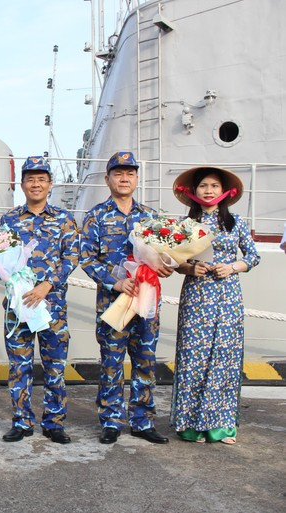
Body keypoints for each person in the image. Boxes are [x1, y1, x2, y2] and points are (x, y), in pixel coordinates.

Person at [80, 151, 174, 445]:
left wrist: (167, 265)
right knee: (112, 363)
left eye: (130, 173)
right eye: (118, 173)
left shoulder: (151, 217)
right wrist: (116, 282)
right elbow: (86, 258)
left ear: (136, 178)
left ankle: (142, 421)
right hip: (114, 303)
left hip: (146, 301)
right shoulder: (96, 216)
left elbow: (165, 253)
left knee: (145, 361)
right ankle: (111, 421)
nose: (124, 178)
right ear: (107, 178)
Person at [171, 166, 260, 444]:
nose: (208, 191)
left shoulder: (236, 222)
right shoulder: (185, 224)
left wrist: (232, 267)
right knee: (192, 357)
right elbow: (174, 262)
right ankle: (190, 425)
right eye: (203, 186)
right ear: (194, 191)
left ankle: (220, 425)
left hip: (226, 296)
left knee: (224, 357)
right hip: (196, 297)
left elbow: (253, 257)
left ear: (224, 191)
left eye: (214, 186)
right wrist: (190, 268)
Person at [0, 157, 78, 444]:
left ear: (50, 184)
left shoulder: (64, 219)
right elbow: (0, 255)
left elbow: (72, 257)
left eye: (41, 179)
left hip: (51, 306)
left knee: (55, 367)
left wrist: (47, 284)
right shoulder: (9, 219)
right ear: (22, 185)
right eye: (30, 179)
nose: (36, 184)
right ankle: (22, 421)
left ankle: (54, 423)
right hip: (18, 306)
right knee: (19, 367)